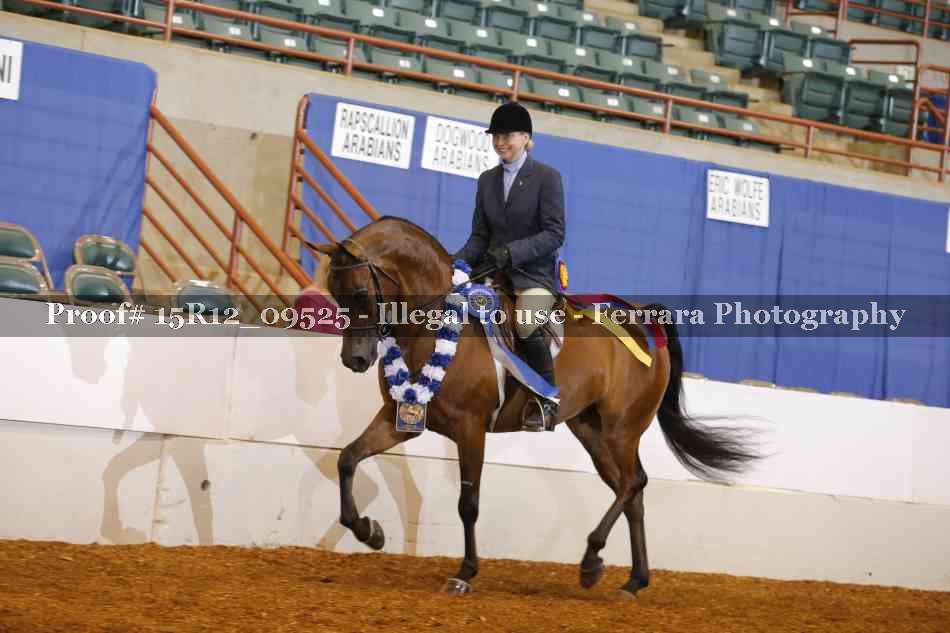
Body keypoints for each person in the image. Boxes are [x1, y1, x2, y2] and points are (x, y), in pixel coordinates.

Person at [453, 101, 566, 432]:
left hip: (533, 276)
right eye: (496, 136)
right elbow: (479, 236)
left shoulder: (547, 178)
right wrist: (456, 263)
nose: (500, 142)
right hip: (492, 272)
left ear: (526, 138)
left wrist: (512, 253)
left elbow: (555, 233)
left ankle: (546, 400)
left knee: (526, 323)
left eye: (508, 136)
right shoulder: (487, 180)